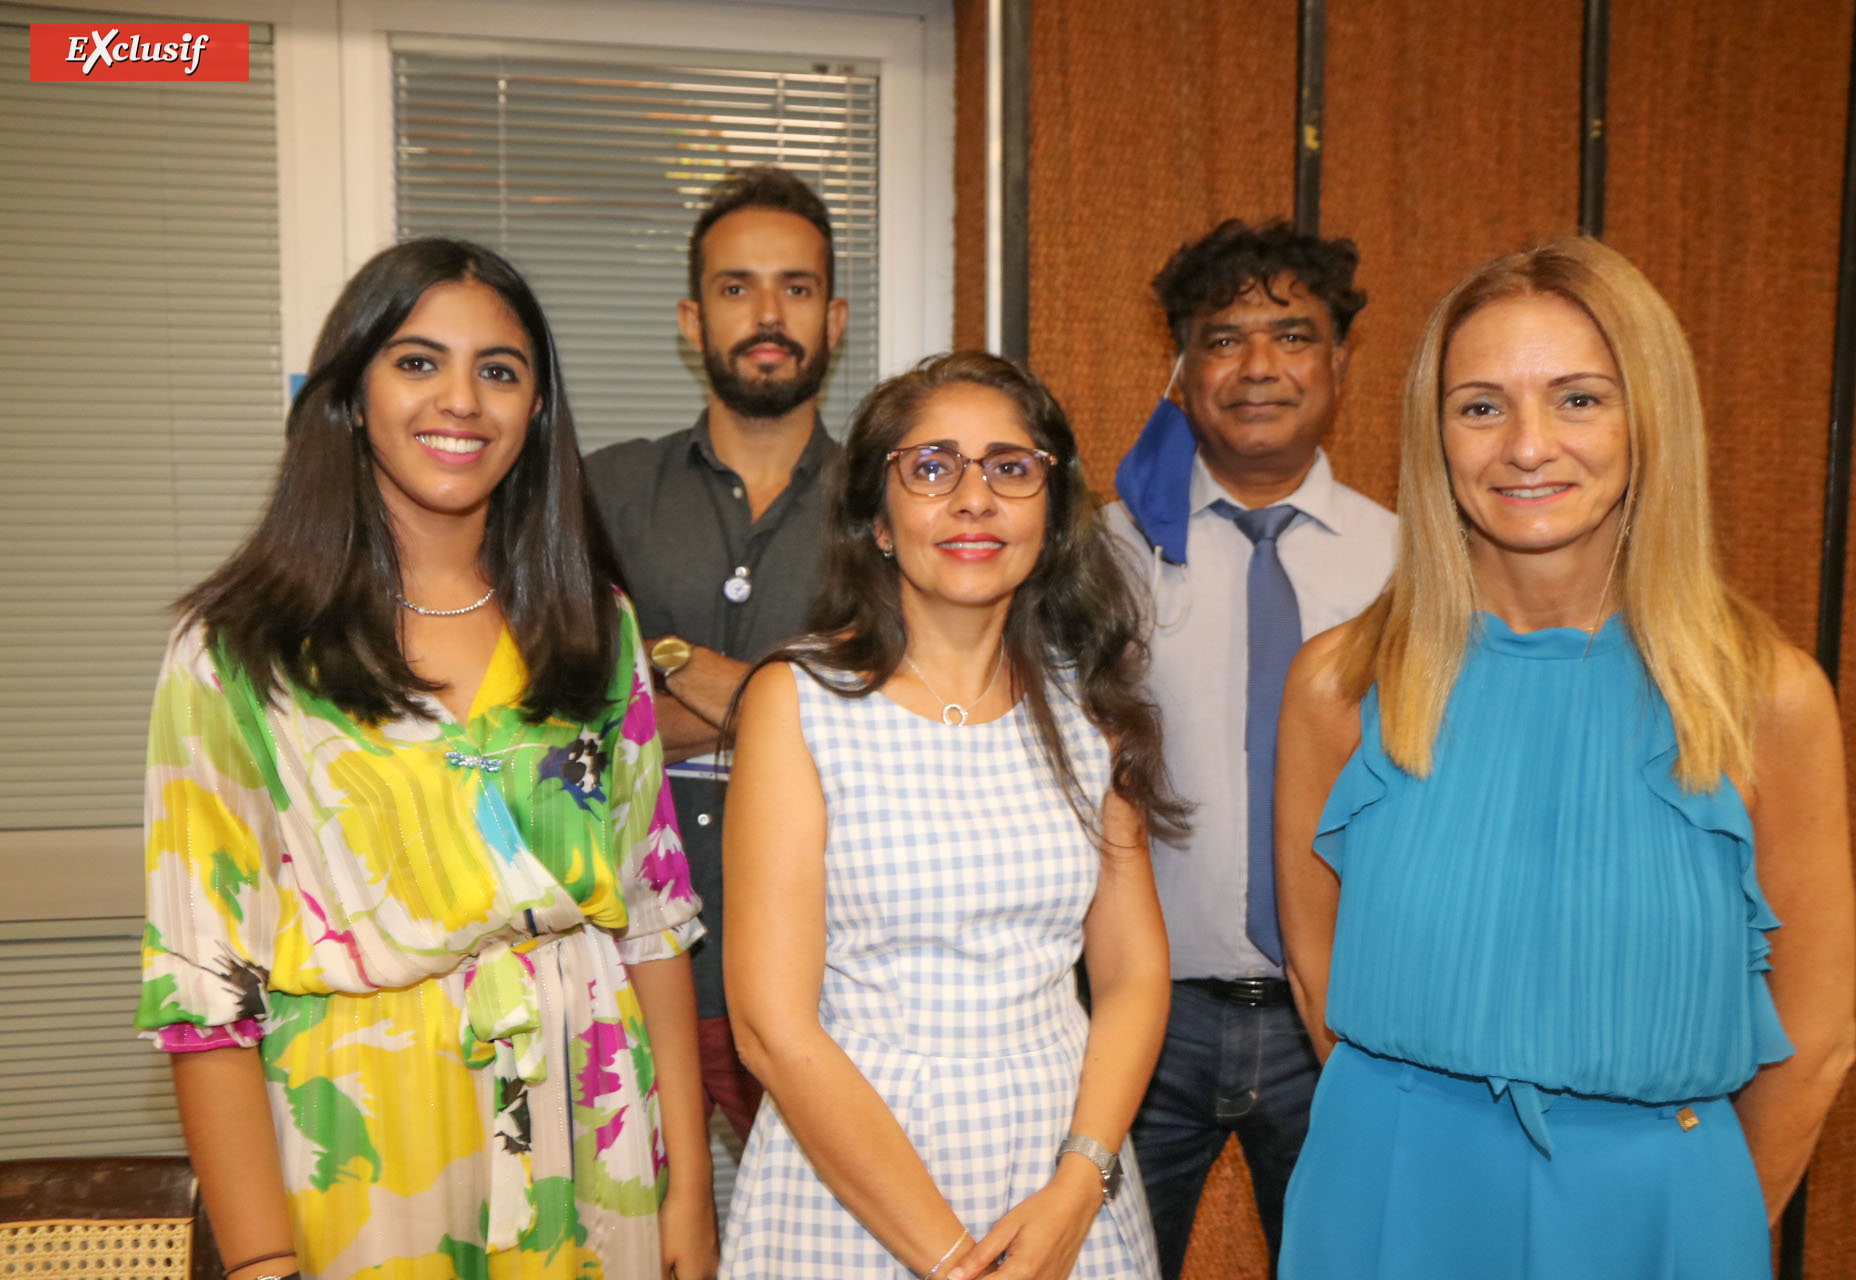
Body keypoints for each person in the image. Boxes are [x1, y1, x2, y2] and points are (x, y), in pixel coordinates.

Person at [1274, 237, 1856, 1278]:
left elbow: (1815, 1042)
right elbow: (1319, 982)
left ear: (1649, 418)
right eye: (1481, 404)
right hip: (1387, 1200)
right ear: (1435, 433)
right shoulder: (1340, 686)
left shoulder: (1767, 697)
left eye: (1580, 398)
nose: (1527, 445)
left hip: (1659, 1216)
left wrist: (1696, 1215)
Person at [136, 239, 718, 1280]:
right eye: (417, 361)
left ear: (536, 410)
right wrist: (264, 1259)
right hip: (362, 1149)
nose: (462, 399)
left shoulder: (598, 627)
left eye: (500, 370)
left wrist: (687, 1190)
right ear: (351, 394)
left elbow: (656, 919)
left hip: (597, 1137)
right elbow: (204, 991)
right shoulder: (237, 650)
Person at [718, 351, 1184, 1279]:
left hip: (1061, 1181)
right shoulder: (799, 701)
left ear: (1050, 515)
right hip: (857, 1178)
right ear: (878, 523)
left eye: (1011, 468)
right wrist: (951, 1260)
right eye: (931, 468)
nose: (975, 499)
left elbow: (1131, 974)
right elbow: (772, 1026)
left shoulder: (1090, 705)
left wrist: (1078, 1183)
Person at [1104, 217, 1396, 1275]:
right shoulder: (1104, 556)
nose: (1260, 365)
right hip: (1145, 1019)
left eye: (1293, 334)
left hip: (1349, 1024)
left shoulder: (1413, 564)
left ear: (1340, 362)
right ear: (1181, 373)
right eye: (1225, 338)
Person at [587, 165, 849, 1141]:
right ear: (693, 320)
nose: (768, 312)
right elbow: (567, 718)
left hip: (831, 965)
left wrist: (652, 662)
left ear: (837, 318)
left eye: (797, 286)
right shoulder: (605, 493)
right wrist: (799, 700)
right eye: (737, 288)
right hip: (625, 956)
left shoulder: (894, 504)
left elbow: (890, 719)